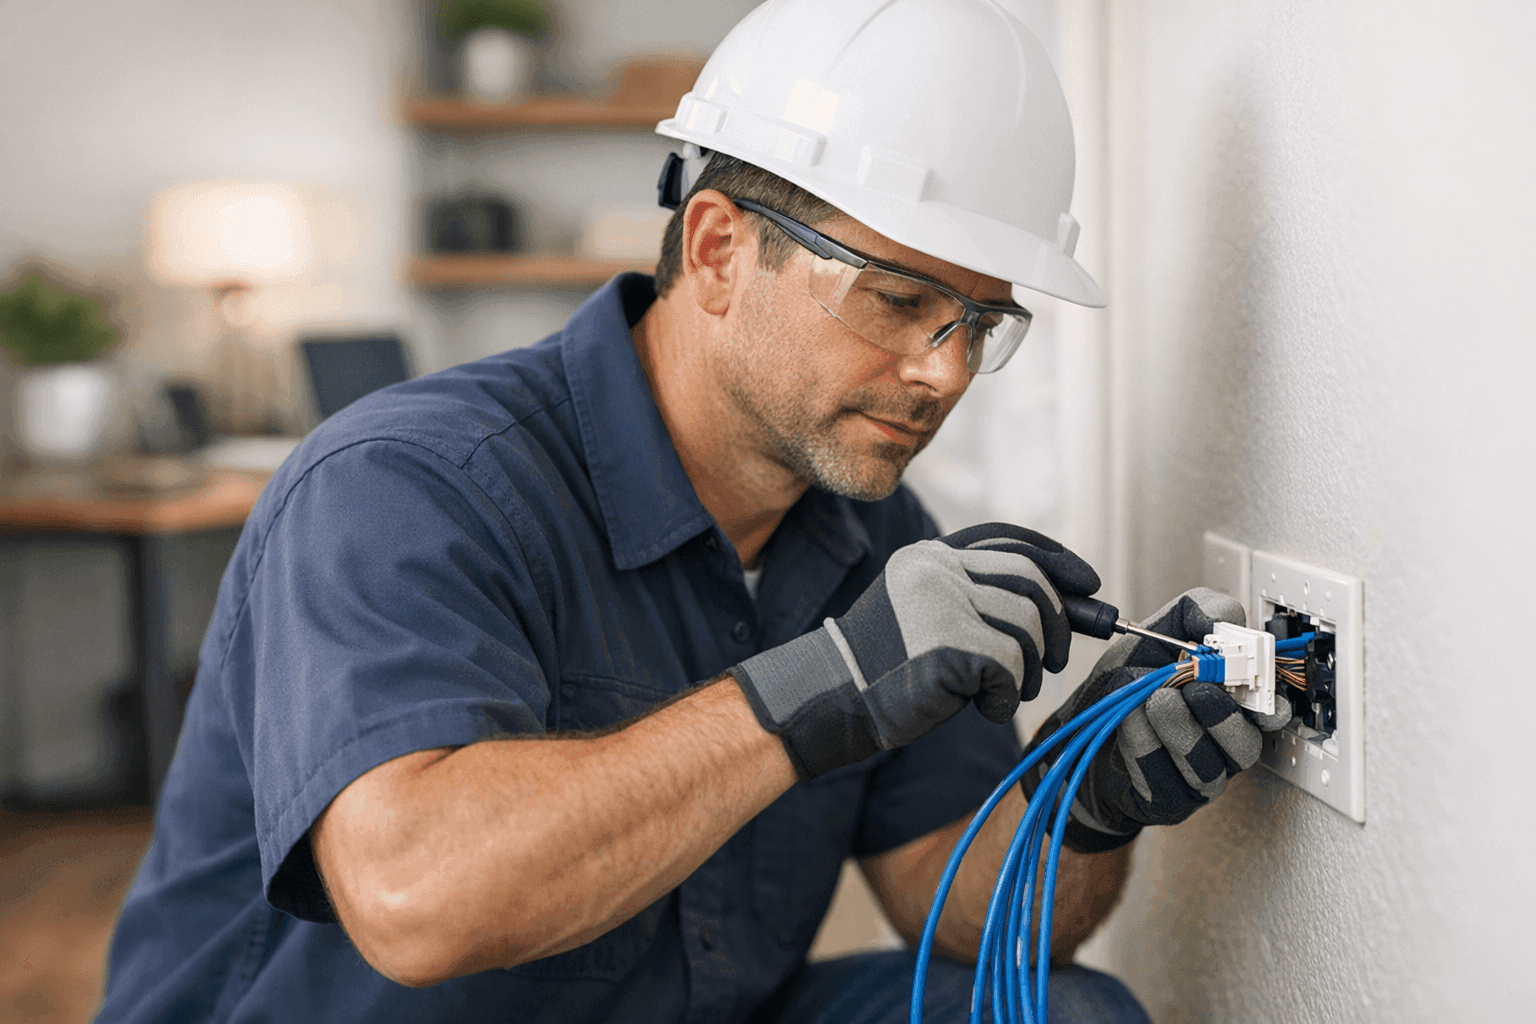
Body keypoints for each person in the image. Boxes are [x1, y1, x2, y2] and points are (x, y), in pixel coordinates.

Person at [98, 2, 1288, 1021]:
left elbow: (959, 904)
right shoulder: (406, 487)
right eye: (898, 299)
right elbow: (417, 897)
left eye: (979, 321)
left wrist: (1082, 800)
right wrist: (817, 687)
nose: (945, 371)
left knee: (1062, 1011)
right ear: (717, 250)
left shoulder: (872, 533)